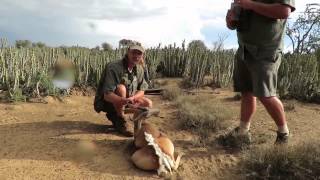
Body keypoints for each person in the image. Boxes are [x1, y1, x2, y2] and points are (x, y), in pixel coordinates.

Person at [225, 0, 295, 144]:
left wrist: (250, 5)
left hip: (266, 50)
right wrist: (230, 20)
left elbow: (284, 11)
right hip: (244, 49)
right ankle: (243, 133)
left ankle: (284, 134)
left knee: (266, 95)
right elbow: (233, 22)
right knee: (247, 91)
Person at [94, 43, 152, 137]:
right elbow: (107, 95)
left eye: (139, 53)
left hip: (128, 100)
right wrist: (123, 100)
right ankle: (121, 120)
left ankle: (136, 123)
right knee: (121, 88)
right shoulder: (114, 67)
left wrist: (133, 98)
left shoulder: (139, 69)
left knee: (148, 103)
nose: (136, 56)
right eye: (134, 52)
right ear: (128, 52)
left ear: (142, 56)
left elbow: (142, 90)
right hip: (108, 102)